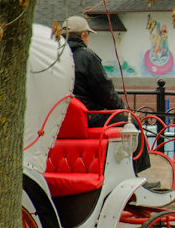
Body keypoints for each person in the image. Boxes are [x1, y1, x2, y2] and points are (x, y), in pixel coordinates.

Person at [63, 15, 151, 176]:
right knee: (133, 123)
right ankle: (137, 175)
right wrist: (122, 108)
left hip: (60, 119)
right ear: (83, 36)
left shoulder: (55, 56)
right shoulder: (88, 57)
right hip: (89, 118)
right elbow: (105, 92)